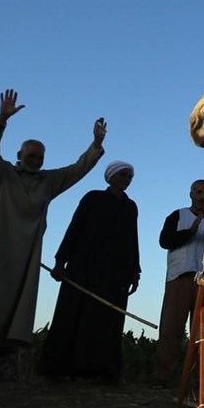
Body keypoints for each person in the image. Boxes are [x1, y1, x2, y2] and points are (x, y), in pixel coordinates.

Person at [0, 89, 105, 383]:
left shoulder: (47, 182)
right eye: (30, 155)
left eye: (39, 156)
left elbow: (77, 169)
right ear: (19, 156)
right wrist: (0, 120)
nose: (35, 160)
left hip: (27, 254)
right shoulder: (0, 174)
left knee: (16, 305)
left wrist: (96, 145)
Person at [39, 161, 140, 383]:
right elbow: (74, 228)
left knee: (108, 320)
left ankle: (102, 371)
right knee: (75, 314)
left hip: (116, 273)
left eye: (129, 176)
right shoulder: (92, 198)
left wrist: (135, 270)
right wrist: (60, 261)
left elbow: (132, 238)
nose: (127, 179)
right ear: (111, 176)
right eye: (123, 175)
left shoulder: (130, 206)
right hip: (84, 268)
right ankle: (61, 369)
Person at [151, 179, 204, 389]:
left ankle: (199, 379)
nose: (202, 196)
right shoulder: (177, 215)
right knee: (171, 327)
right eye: (198, 192)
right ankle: (162, 376)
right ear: (191, 194)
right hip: (180, 277)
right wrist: (190, 231)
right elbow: (164, 241)